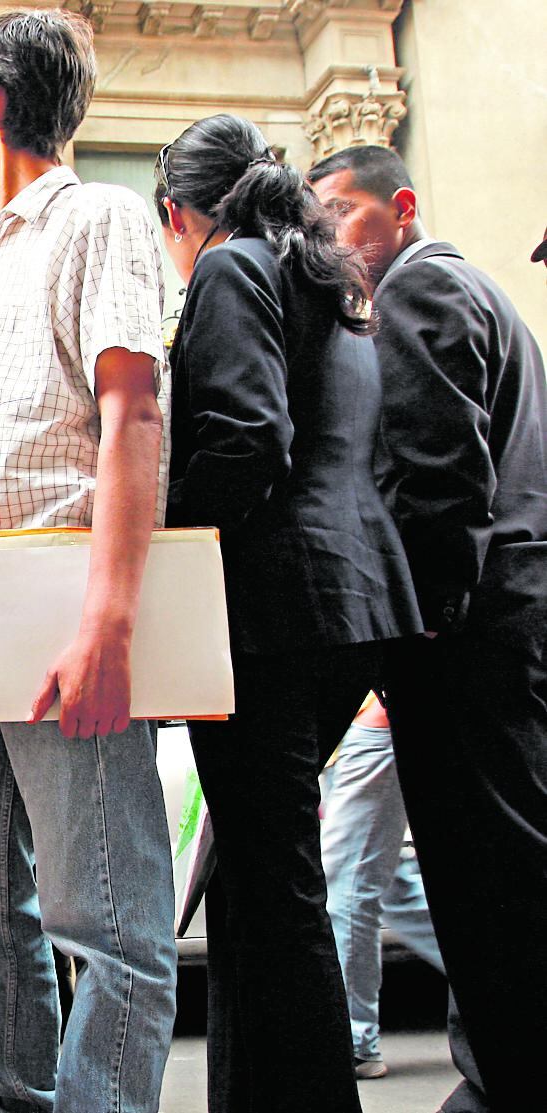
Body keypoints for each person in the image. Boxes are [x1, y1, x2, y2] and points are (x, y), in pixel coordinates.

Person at [0, 11, 178, 1111]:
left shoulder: (99, 219)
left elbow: (132, 415)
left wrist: (109, 623)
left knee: (107, 920)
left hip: (66, 616)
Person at [155, 113, 421, 1113]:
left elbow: (246, 442)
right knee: (260, 875)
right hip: (350, 605)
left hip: (268, 613)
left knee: (275, 888)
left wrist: (153, 547)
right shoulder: (326, 282)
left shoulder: (229, 270)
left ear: (179, 215)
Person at [310, 142, 547, 1113]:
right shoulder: (480, 294)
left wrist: (416, 636)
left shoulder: (418, 292)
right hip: (507, 626)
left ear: (399, 207)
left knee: (489, 881)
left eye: (341, 214)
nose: (328, 239)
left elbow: (436, 487)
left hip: (473, 642)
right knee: (502, 870)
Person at [320, 696, 449, 1080]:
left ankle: (355, 1040)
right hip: (357, 730)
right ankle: (515, 983)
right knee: (391, 889)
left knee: (349, 886)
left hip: (373, 726)